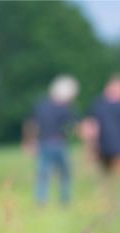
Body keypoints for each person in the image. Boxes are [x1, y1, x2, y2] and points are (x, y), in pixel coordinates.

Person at [22, 75, 79, 205]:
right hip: (56, 144)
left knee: (44, 174)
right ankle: (63, 200)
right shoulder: (66, 108)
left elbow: (31, 125)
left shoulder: (41, 105)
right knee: (62, 174)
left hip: (45, 143)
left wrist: (29, 141)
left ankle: (42, 200)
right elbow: (74, 127)